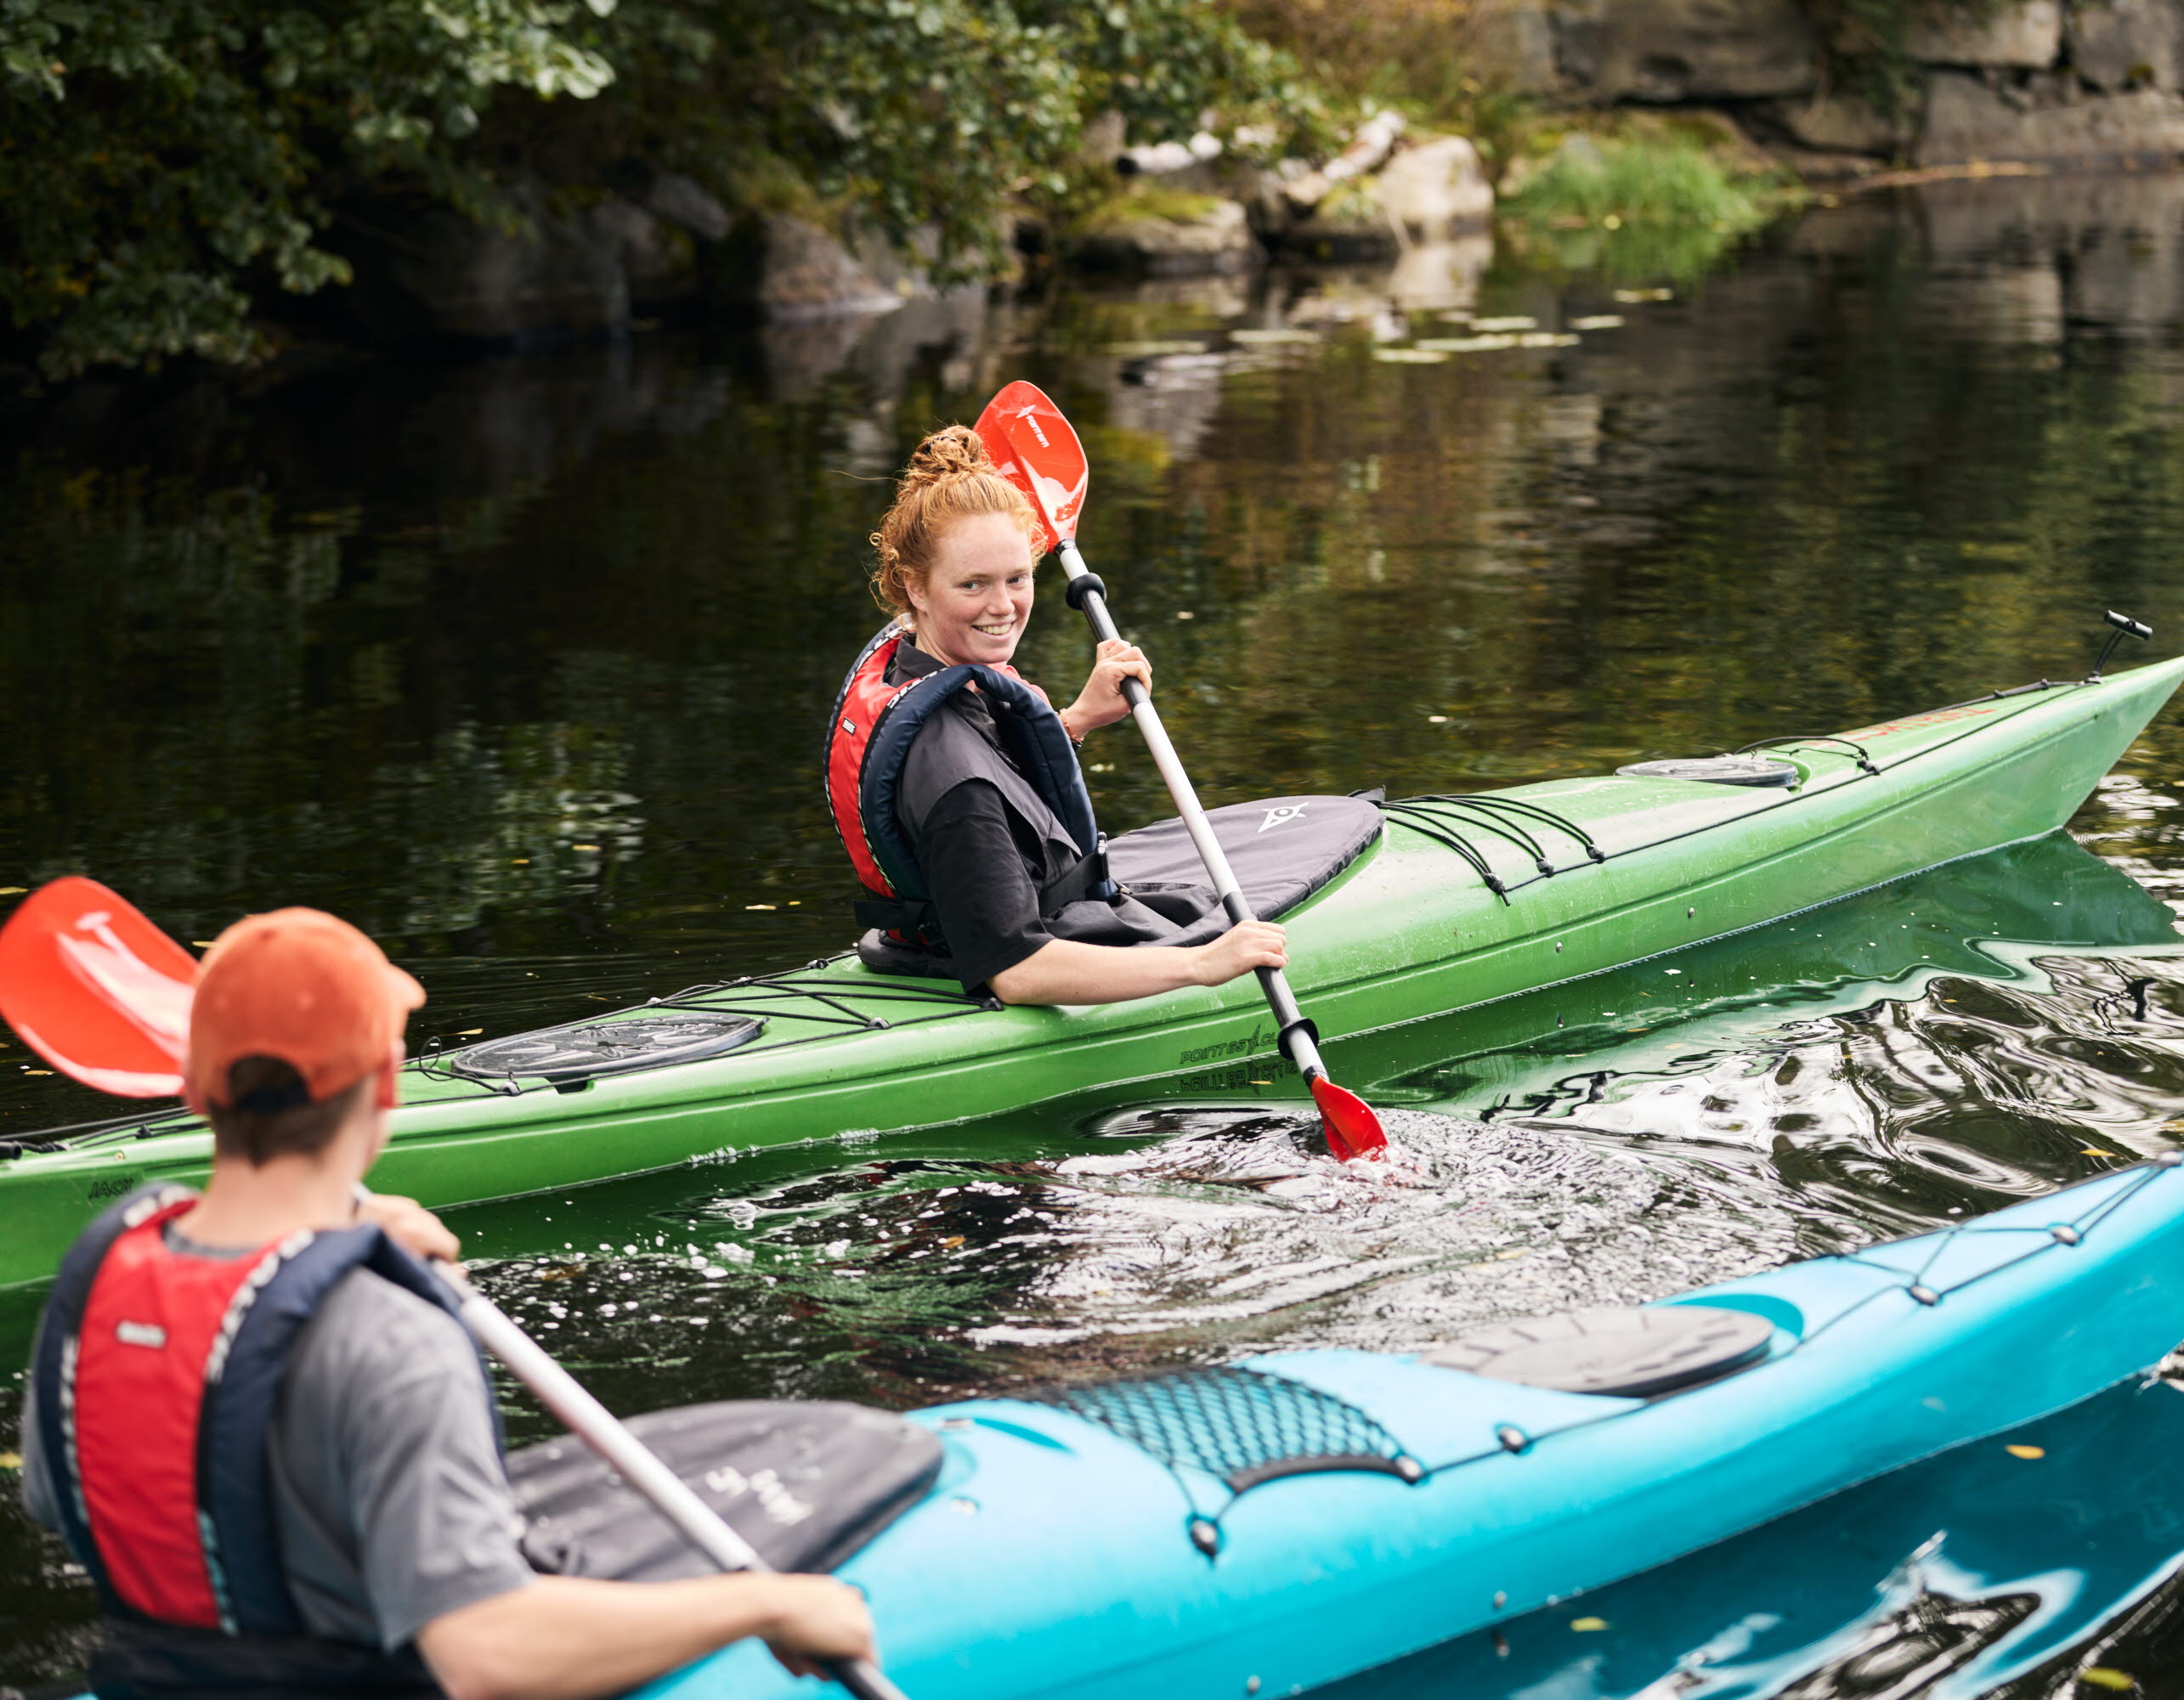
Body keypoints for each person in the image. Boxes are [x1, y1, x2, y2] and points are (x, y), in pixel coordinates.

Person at [19, 906, 873, 1700]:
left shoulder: (98, 1278)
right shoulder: (389, 1335)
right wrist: (765, 1606)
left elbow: (68, 1503)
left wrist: (344, 1230)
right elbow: (483, 1656)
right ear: (386, 1087)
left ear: (199, 1091)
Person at [823, 425, 1289, 1003]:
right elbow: (1017, 970)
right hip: (1029, 955)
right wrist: (1202, 964)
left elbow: (995, 791)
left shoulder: (918, 665)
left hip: (985, 927)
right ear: (915, 587)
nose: (1003, 607)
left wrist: (1075, 721)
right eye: (974, 584)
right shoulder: (949, 773)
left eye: (1017, 578)